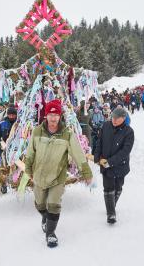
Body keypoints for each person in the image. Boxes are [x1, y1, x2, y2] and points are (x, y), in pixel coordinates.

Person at [24, 99, 93, 248]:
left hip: (57, 175)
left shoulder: (67, 134)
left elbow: (78, 154)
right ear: (46, 116)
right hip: (39, 175)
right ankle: (45, 217)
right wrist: (28, 169)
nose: (53, 118)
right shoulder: (37, 131)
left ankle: (50, 234)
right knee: (40, 203)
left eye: (56, 115)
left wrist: (86, 173)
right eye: (50, 115)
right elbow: (30, 152)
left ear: (60, 116)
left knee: (53, 204)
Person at [94, 107, 135, 224]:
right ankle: (111, 213)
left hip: (120, 165)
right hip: (105, 164)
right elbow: (99, 142)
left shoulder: (129, 132)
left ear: (124, 118)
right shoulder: (106, 126)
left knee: (118, 188)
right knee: (108, 188)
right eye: (113, 117)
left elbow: (125, 151)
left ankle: (111, 204)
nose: (114, 120)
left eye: (117, 118)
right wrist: (97, 156)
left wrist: (110, 162)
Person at [0, 106, 17, 193]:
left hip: (16, 149)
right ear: (7, 114)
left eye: (13, 115)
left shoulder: (19, 122)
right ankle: (2, 184)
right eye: (10, 115)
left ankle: (15, 183)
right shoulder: (2, 123)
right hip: (4, 149)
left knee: (15, 167)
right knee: (3, 167)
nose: (11, 116)